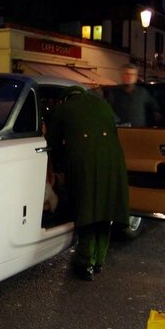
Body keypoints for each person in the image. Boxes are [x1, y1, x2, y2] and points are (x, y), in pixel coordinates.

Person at [47, 86, 130, 281]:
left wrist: (58, 167)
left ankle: (85, 262)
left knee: (86, 211)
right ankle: (99, 260)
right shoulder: (102, 104)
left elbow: (53, 143)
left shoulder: (63, 109)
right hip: (112, 162)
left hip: (84, 164)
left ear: (64, 98)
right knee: (104, 212)